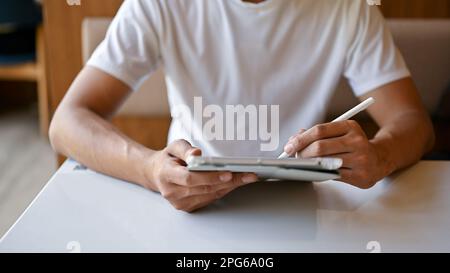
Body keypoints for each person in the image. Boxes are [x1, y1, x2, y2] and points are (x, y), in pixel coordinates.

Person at [49, 0, 434, 212]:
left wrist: (379, 156)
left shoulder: (346, 8)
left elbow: (412, 121)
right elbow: (66, 122)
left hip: (302, 204)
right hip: (190, 205)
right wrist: (150, 169)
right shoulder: (158, 4)